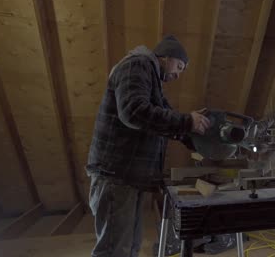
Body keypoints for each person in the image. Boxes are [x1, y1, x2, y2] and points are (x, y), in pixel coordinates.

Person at [86, 35, 211, 257]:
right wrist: (187, 122)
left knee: (130, 246)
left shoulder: (151, 77)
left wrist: (195, 136)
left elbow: (167, 119)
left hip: (127, 177)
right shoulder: (137, 65)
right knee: (115, 250)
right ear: (166, 57)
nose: (178, 74)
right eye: (179, 66)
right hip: (117, 175)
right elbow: (134, 112)